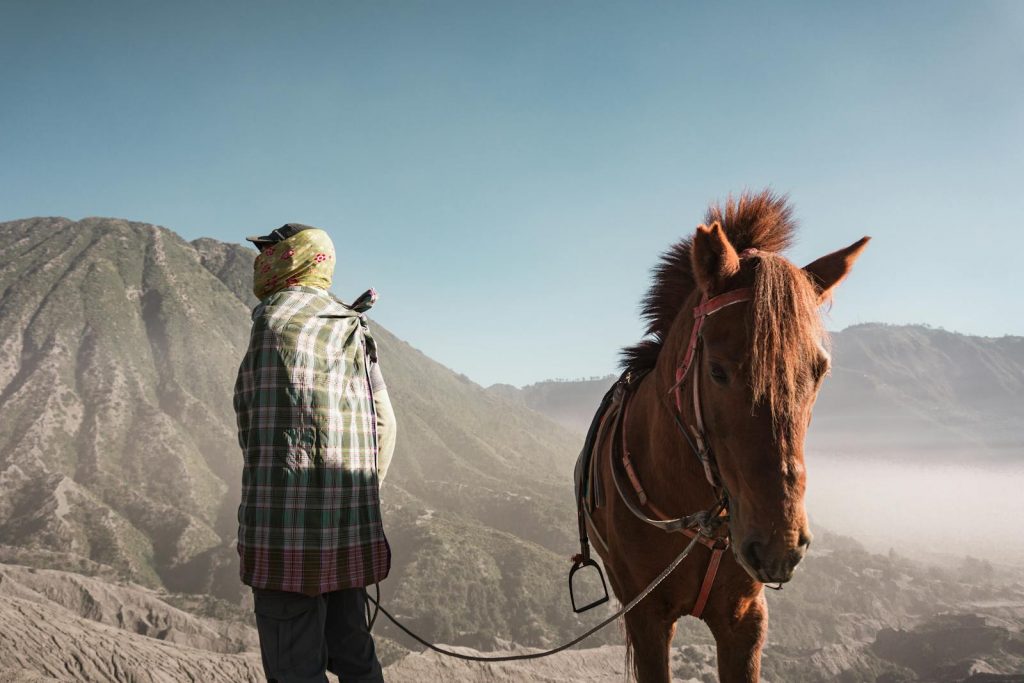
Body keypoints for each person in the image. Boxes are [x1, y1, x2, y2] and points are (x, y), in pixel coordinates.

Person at [233, 223, 396, 683]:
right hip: (349, 534)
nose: (260, 261)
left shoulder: (272, 322)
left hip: (284, 541)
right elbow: (384, 424)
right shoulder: (351, 326)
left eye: (268, 251)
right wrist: (356, 497)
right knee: (356, 660)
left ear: (290, 258)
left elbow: (253, 427)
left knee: (295, 672)